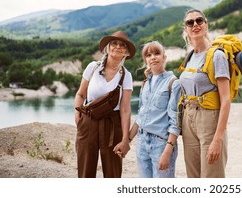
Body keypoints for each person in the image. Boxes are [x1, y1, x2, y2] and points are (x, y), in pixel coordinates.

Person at [74, 31, 135, 177]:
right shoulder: (92, 67)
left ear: (126, 52)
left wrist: (125, 139)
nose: (118, 47)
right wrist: (78, 118)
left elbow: (125, 110)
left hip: (113, 124)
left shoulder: (126, 75)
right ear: (107, 47)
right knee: (85, 172)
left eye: (122, 45)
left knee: (113, 172)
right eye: (114, 43)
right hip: (88, 121)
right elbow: (80, 94)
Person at [178, 9, 230, 178]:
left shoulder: (217, 55)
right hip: (188, 118)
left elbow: (226, 100)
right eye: (190, 22)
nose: (195, 25)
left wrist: (218, 139)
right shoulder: (190, 56)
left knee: (211, 177)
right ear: (186, 29)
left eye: (199, 21)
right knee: (193, 176)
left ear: (206, 25)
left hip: (209, 119)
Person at [128, 41, 181, 178]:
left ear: (164, 57)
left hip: (161, 144)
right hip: (141, 142)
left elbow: (175, 122)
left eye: (157, 53)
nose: (153, 57)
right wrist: (127, 140)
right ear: (145, 59)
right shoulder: (145, 83)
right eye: (148, 55)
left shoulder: (173, 83)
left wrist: (167, 151)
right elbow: (141, 116)